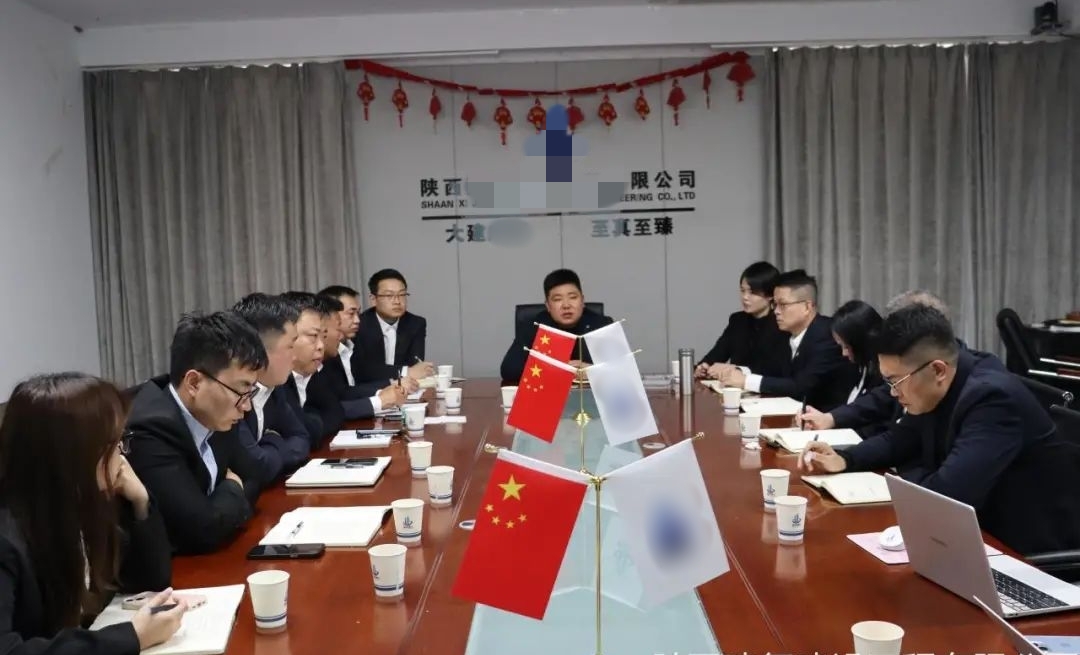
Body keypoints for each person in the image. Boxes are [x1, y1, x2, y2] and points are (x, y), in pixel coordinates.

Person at [799, 305, 1080, 555]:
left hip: (1022, 553)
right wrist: (845, 458)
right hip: (976, 536)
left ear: (938, 370)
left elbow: (948, 496)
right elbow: (902, 438)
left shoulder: (993, 399)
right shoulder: (942, 382)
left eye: (896, 381)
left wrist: (903, 475)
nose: (893, 393)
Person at [0, 373, 187, 654]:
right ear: (70, 457)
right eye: (113, 444)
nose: (122, 457)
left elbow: (148, 581)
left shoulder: (85, 503)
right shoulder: (7, 539)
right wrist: (132, 637)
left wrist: (140, 501)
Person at [125, 311, 266, 555]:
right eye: (241, 390)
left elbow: (254, 475)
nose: (246, 406)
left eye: (250, 391)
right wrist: (233, 487)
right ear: (194, 383)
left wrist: (222, 501)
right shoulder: (149, 430)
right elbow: (200, 530)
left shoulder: (216, 411)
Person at [797, 289, 1005, 433]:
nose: (894, 391)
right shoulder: (909, 372)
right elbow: (885, 410)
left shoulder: (986, 393)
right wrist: (834, 429)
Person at [719, 269, 858, 412]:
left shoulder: (827, 335)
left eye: (783, 305)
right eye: (775, 304)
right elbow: (770, 371)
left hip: (825, 417)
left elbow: (801, 387)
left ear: (807, 307)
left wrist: (746, 380)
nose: (776, 311)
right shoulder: (785, 334)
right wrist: (738, 371)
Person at [232, 293, 312, 487]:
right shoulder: (232, 394)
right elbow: (256, 466)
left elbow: (302, 439)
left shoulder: (274, 386)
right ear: (259, 350)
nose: (295, 357)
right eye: (290, 346)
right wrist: (275, 441)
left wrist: (270, 445)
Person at [500, 268, 614, 382]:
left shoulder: (602, 325)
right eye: (557, 299)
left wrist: (592, 370)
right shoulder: (534, 327)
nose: (566, 305)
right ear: (548, 306)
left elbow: (620, 369)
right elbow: (509, 370)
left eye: (573, 297)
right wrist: (558, 369)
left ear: (582, 301)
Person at [314, 291, 406, 421]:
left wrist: (383, 393)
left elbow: (344, 391)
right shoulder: (324, 356)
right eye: (351, 314)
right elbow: (326, 411)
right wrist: (380, 400)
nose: (357, 320)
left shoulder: (347, 345)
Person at [695, 261, 788, 380]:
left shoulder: (782, 323)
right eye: (743, 290)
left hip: (765, 389)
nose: (745, 297)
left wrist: (736, 370)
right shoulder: (737, 320)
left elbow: (775, 370)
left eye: (752, 292)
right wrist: (704, 367)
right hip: (733, 389)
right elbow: (716, 355)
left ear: (770, 295)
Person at [280, 291, 344, 442]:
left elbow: (336, 413)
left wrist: (311, 420)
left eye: (323, 337)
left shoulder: (309, 372)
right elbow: (306, 432)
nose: (321, 346)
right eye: (313, 336)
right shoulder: (277, 380)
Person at [352, 269, 433, 385]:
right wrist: (405, 372)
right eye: (389, 295)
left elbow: (415, 366)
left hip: (405, 389)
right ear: (373, 299)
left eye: (402, 295)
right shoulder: (358, 325)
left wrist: (411, 372)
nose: (397, 301)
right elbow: (361, 370)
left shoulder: (415, 324)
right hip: (368, 390)